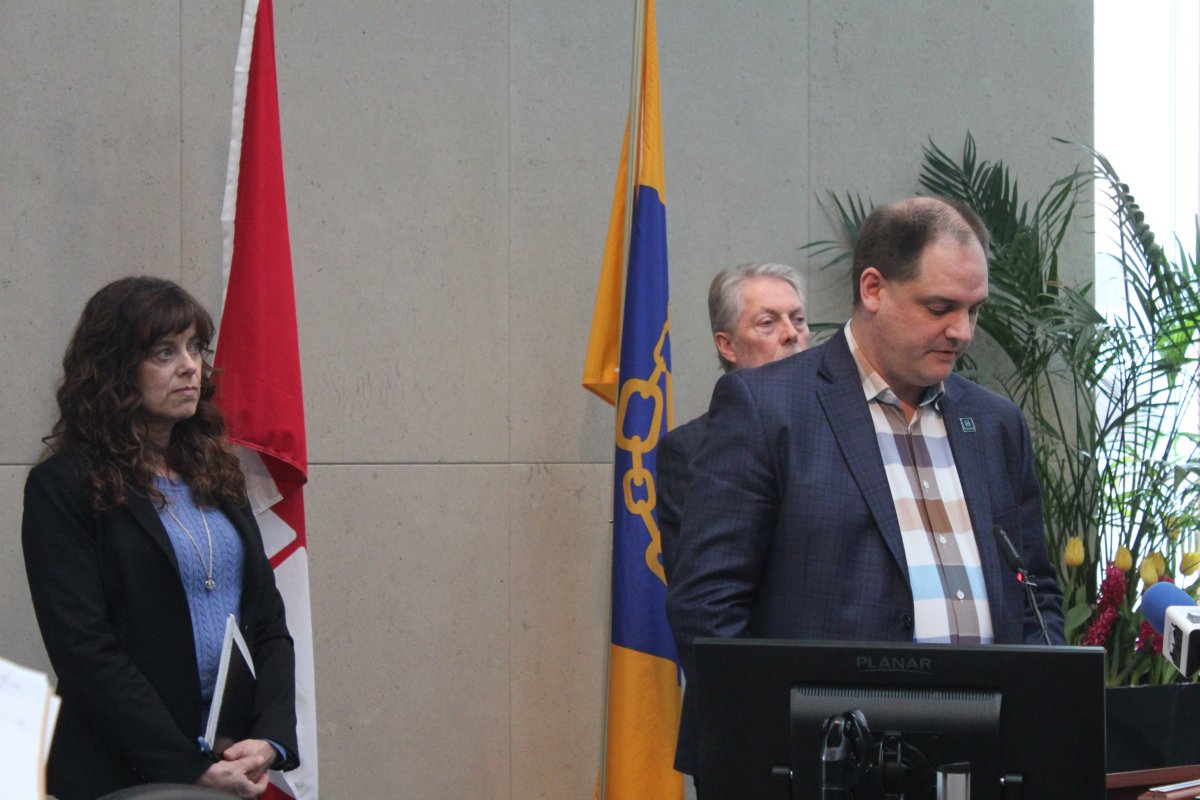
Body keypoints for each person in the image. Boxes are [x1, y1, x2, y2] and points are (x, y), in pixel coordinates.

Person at [664, 197, 1065, 778]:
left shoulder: (997, 424)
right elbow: (708, 609)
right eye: (939, 307)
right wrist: (780, 757)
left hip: (978, 765)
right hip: (819, 770)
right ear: (873, 289)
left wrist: (1037, 720)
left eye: (974, 310)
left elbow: (1037, 593)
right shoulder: (766, 408)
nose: (962, 331)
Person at [22, 277, 299, 799]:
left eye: (195, 348)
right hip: (121, 771)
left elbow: (268, 623)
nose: (190, 366)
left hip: (229, 760)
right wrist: (186, 764)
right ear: (115, 369)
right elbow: (84, 650)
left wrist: (270, 740)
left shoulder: (216, 473)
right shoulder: (63, 486)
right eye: (164, 352)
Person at [657, 262, 809, 582]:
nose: (792, 334)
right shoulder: (690, 449)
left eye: (798, 319)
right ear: (728, 346)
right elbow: (703, 590)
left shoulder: (845, 425)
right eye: (768, 323)